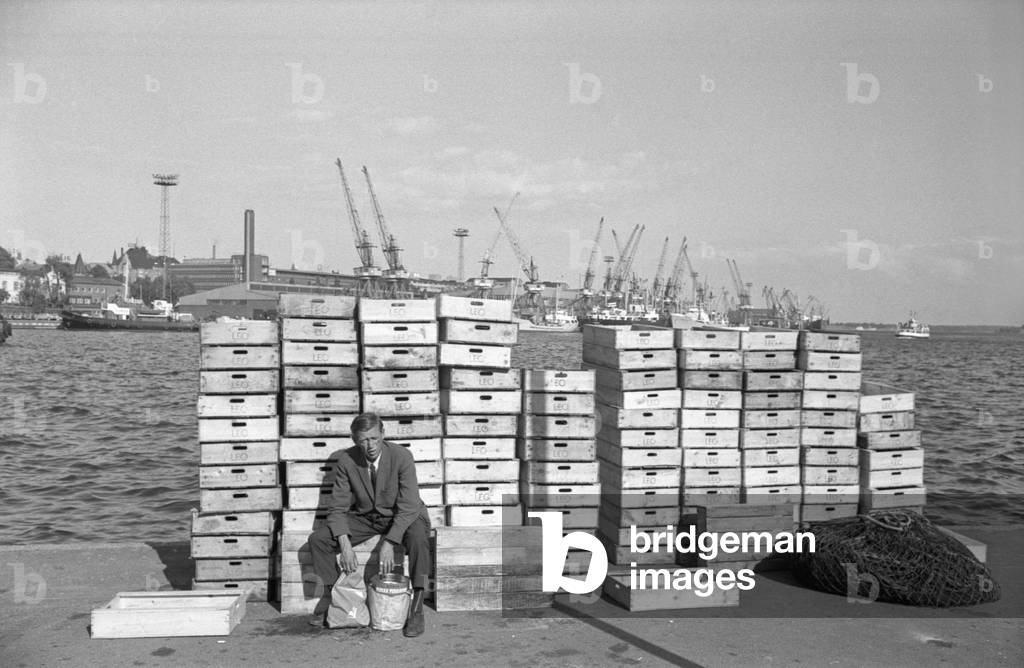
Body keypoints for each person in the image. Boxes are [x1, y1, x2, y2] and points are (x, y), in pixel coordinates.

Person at [308, 412, 431, 637]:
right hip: (367, 517)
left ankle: (417, 606)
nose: (371, 445)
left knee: (419, 538)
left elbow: (409, 505)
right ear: (355, 440)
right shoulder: (347, 460)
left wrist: (390, 542)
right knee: (319, 540)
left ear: (383, 434)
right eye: (364, 440)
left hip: (403, 515)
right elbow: (337, 507)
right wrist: (344, 544)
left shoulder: (402, 456)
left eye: (374, 438)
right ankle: (337, 600)